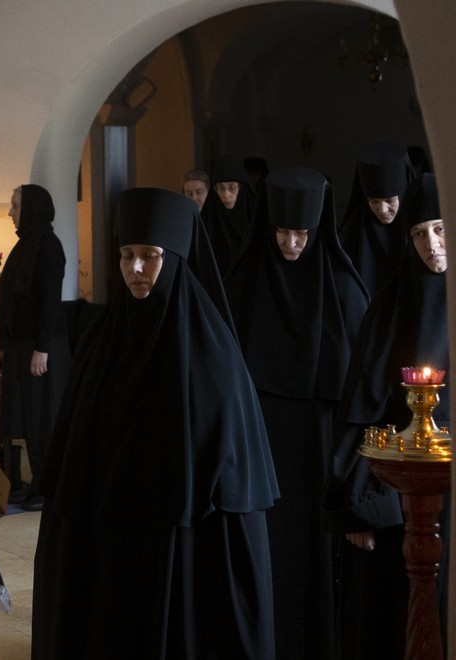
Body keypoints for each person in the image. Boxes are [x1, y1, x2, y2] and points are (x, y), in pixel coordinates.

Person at [32, 187, 278, 659]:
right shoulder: (101, 341)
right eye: (127, 256)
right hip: (111, 540)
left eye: (150, 256)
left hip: (182, 546)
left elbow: (228, 473)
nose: (136, 269)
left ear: (177, 259)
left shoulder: (212, 352)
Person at [224, 166, 368, 659]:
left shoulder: (343, 289)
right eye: (282, 232)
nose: (291, 244)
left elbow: (360, 386)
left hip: (320, 444)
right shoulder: (243, 283)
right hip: (259, 441)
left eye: (301, 233)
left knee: (315, 556)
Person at [325, 172, 448, 660]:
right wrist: (360, 504)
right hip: (401, 496)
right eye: (418, 233)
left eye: (440, 229)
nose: (430, 244)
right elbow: (363, 411)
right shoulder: (391, 309)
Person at [0, 184, 69, 510]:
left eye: (15, 206)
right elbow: (9, 301)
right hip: (21, 347)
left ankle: (44, 486)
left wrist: (42, 349)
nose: (10, 212)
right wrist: (3, 345)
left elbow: (49, 302)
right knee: (21, 418)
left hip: (41, 348)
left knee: (41, 422)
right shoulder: (25, 244)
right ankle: (23, 483)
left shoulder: (48, 246)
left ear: (32, 209)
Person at [339, 140, 415, 296]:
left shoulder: (423, 232)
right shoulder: (351, 236)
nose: (382, 209)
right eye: (374, 201)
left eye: (390, 200)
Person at [200, 154, 257, 278]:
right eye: (221, 188)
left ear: (241, 188)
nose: (226, 194)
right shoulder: (208, 220)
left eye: (232, 188)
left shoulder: (256, 220)